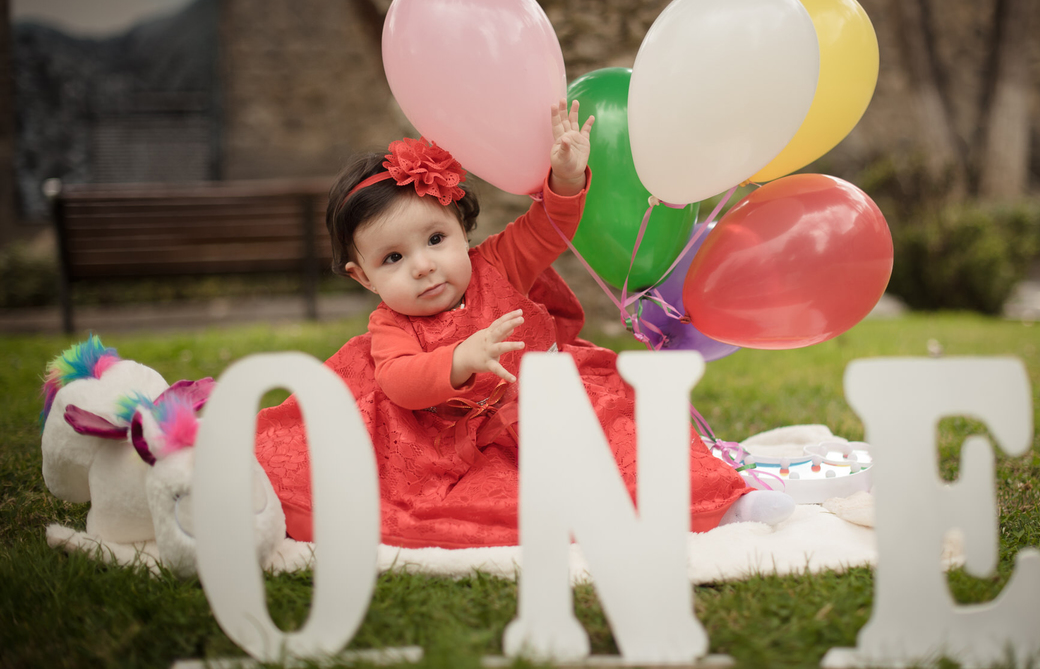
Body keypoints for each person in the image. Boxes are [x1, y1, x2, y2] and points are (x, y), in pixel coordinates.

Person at [255, 100, 794, 548]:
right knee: (481, 497)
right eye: (392, 259)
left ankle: (722, 504)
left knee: (630, 431)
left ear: (462, 232)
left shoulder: (498, 265)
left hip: (552, 400)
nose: (421, 265)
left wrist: (564, 176)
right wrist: (459, 360)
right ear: (364, 277)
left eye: (435, 240)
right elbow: (399, 380)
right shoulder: (390, 324)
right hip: (454, 436)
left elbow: (548, 227)